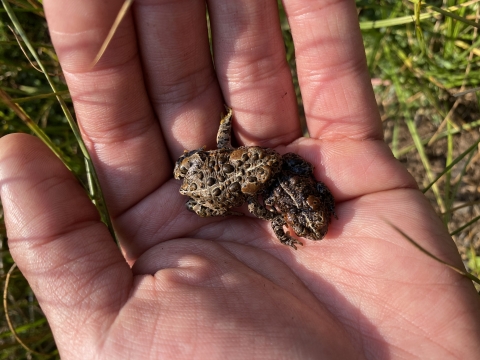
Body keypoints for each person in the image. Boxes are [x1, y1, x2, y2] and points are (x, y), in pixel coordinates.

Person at [1, 0, 479, 358]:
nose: (266, 161)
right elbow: (234, 166)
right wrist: (228, 140)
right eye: (259, 164)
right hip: (211, 187)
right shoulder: (246, 182)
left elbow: (252, 175)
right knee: (201, 186)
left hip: (222, 178)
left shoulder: (260, 176)